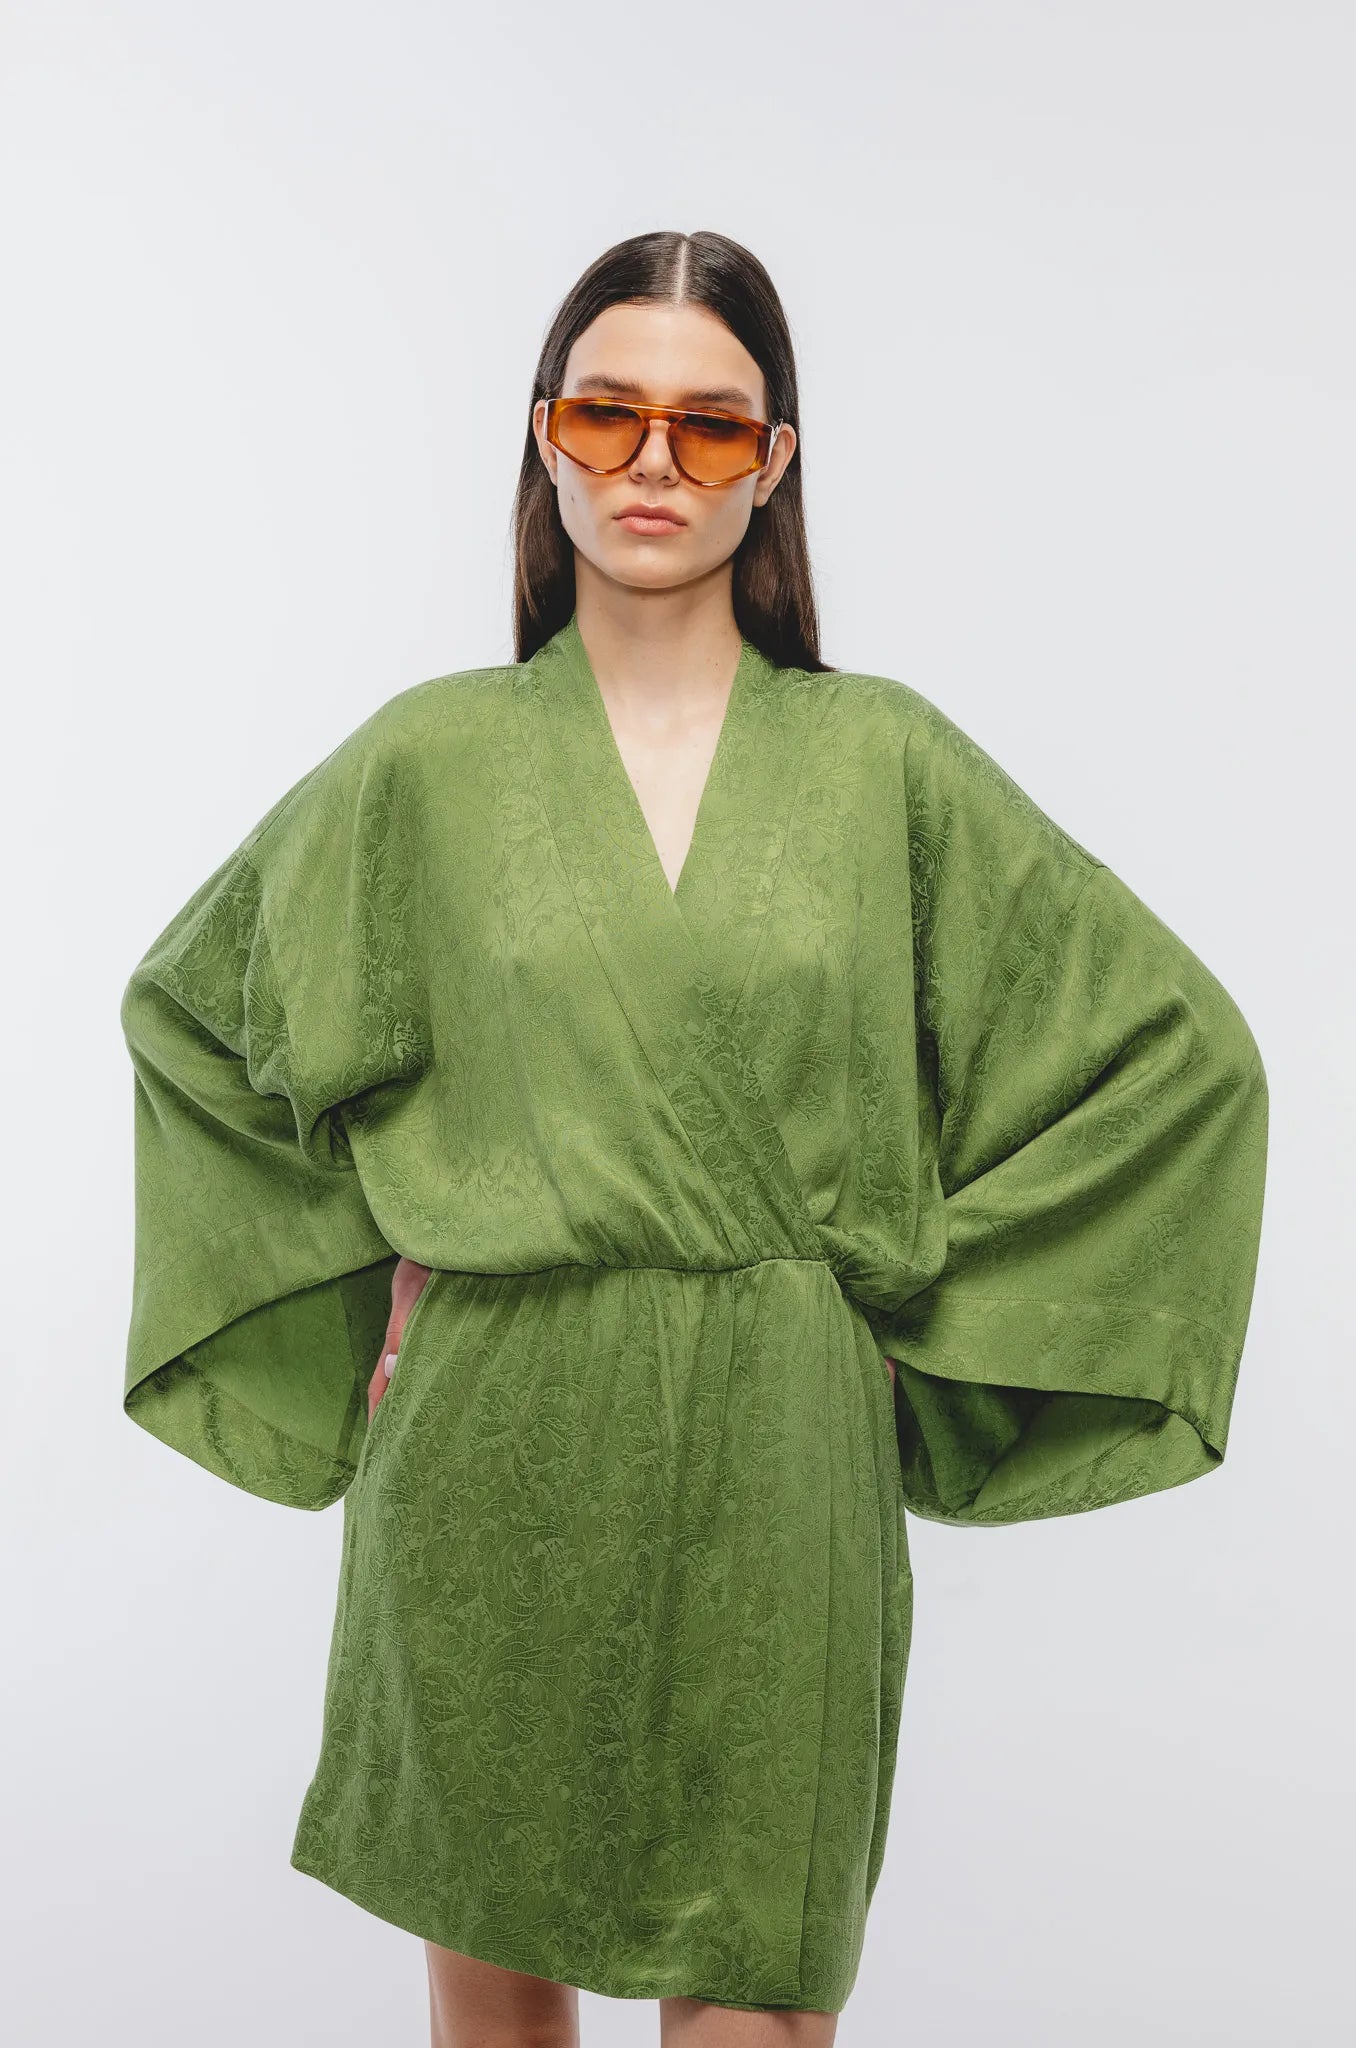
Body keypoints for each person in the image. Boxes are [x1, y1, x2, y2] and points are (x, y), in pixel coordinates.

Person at [119, 228, 1270, 2048]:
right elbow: (196, 1020)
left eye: (711, 425)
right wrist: (370, 1283)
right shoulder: (423, 764)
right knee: (495, 2004)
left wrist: (901, 1304)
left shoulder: (883, 761)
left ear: (774, 460)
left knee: (757, 1995)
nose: (654, 461)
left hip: (778, 1445)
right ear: (545, 435)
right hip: (494, 1428)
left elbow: (1175, 1059)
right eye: (608, 412)